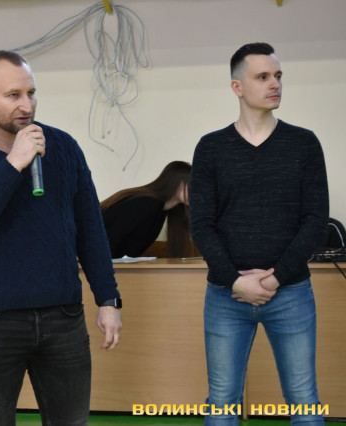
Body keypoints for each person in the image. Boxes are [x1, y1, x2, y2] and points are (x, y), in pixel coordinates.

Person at [0, 50, 122, 426]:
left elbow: (90, 228)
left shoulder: (62, 147)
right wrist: (13, 164)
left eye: (31, 93)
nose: (26, 105)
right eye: (12, 95)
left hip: (62, 317)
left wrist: (108, 298)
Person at [189, 42, 329, 426]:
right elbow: (201, 225)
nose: (275, 84)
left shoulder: (303, 143)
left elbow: (315, 220)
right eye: (263, 76)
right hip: (226, 295)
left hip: (291, 292)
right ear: (237, 87)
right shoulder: (211, 148)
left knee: (303, 398)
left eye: (278, 76)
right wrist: (235, 281)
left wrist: (275, 278)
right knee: (222, 401)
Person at [100, 160, 195, 258]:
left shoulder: (162, 211)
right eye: (192, 184)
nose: (196, 191)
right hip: (95, 257)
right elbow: (111, 238)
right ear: (176, 182)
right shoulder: (145, 202)